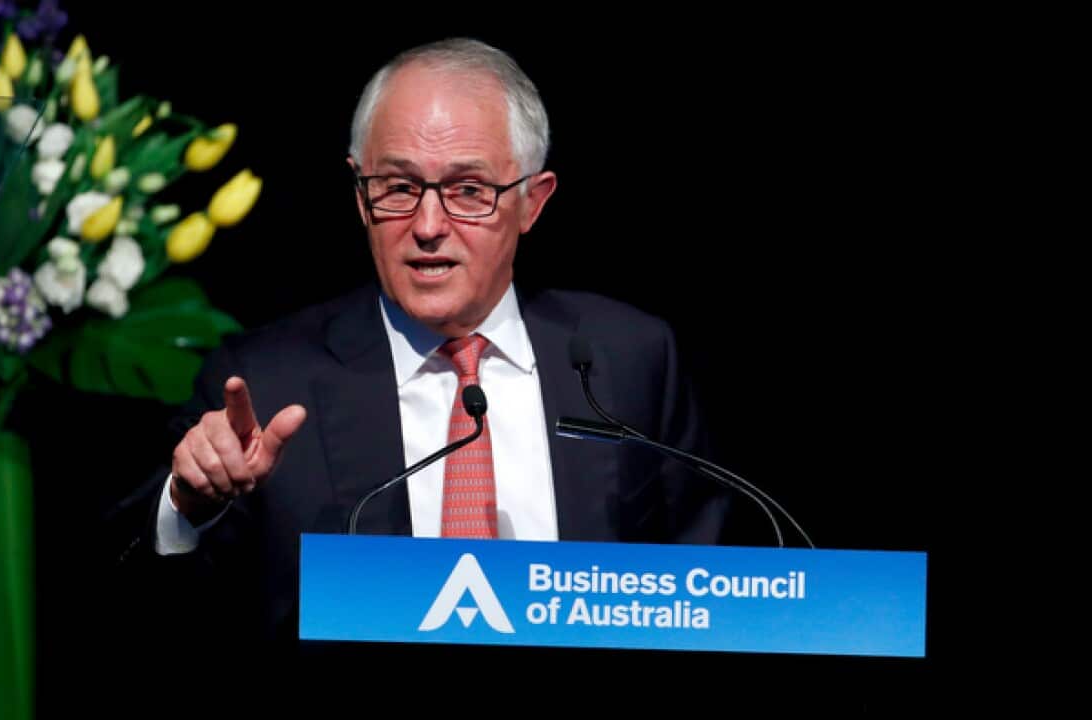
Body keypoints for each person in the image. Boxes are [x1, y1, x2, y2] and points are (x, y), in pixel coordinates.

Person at [111, 37, 728, 656]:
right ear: (360, 196)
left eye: (467, 191)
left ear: (530, 203)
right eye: (399, 187)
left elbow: (709, 604)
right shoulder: (266, 383)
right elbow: (155, 624)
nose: (429, 227)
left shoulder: (630, 358)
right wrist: (185, 509)